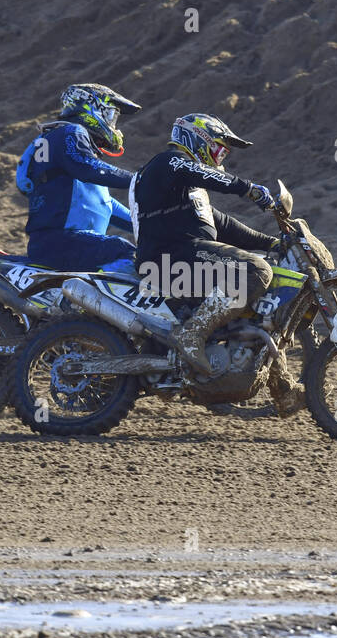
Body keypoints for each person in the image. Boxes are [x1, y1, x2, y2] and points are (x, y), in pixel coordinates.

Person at [130, 113, 306, 416]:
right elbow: (206, 175)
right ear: (199, 140)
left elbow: (222, 224)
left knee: (264, 288)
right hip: (169, 258)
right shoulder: (169, 162)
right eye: (219, 149)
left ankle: (282, 387)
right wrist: (248, 188)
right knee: (256, 271)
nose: (220, 158)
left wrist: (272, 243)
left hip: (188, 256)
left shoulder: (188, 185)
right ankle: (193, 333)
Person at [16, 83, 140, 272]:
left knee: (124, 250)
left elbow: (104, 204)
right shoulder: (71, 132)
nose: (113, 124)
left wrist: (151, 224)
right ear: (90, 107)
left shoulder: (60, 140)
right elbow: (86, 167)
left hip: (64, 243)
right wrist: (140, 180)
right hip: (63, 241)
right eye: (110, 115)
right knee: (125, 253)